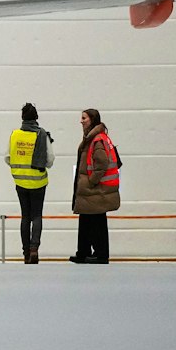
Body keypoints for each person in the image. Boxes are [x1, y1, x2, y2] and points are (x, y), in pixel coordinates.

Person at [70, 107, 120, 264]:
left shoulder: (96, 139)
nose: (81, 121)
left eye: (84, 118)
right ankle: (83, 252)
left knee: (97, 221)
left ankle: (100, 254)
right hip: (91, 190)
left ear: (92, 120)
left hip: (95, 190)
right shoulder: (92, 137)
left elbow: (101, 163)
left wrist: (92, 181)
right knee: (86, 220)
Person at [7, 102, 53, 264]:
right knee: (37, 216)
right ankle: (35, 249)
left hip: (20, 182)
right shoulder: (42, 135)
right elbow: (50, 161)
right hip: (39, 183)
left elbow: (7, 157)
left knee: (25, 217)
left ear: (22, 117)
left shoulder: (14, 135)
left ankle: (26, 252)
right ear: (36, 117)